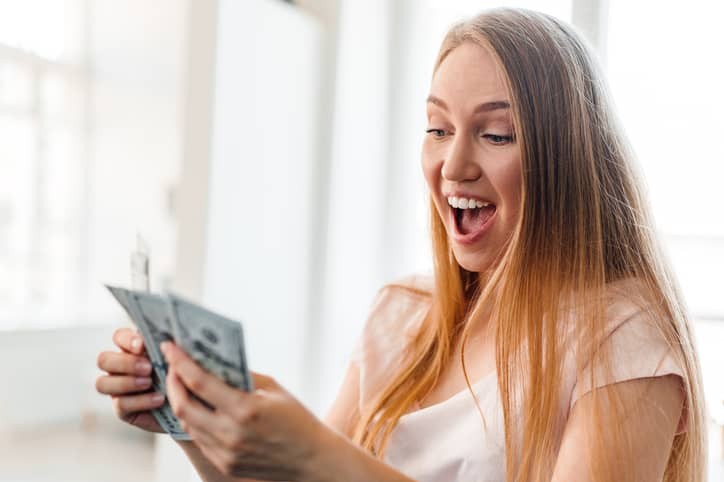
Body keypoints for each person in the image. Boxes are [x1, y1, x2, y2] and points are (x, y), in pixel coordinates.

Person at [95, 8, 706, 482]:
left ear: (567, 160)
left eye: (495, 134)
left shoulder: (621, 338)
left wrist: (319, 457)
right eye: (437, 128)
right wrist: (188, 421)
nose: (452, 164)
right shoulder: (404, 312)